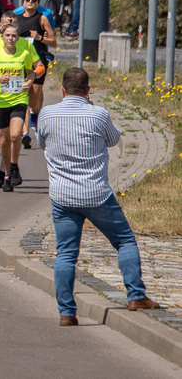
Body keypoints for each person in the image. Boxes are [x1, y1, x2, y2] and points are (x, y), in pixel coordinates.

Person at [37, 68, 160, 326]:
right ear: (88, 90)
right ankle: (136, 295)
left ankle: (66, 312)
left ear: (62, 90)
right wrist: (92, 109)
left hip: (62, 195)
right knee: (124, 241)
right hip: (96, 193)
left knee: (66, 253)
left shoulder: (47, 113)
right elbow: (114, 140)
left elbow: (41, 142)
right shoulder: (98, 114)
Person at [0, 24, 39, 192]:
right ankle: (6, 174)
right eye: (8, 35)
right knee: (4, 141)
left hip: (18, 100)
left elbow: (31, 72)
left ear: (18, 38)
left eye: (14, 35)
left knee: (15, 134)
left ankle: (13, 166)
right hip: (0, 102)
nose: (11, 38)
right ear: (2, 37)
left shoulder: (24, 54)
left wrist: (29, 82)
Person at [17, 0, 56, 149]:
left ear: (38, 2)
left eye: (33, 0)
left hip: (38, 62)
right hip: (20, 63)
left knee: (33, 100)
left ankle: (35, 114)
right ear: (24, 1)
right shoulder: (16, 18)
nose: (30, 3)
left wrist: (39, 37)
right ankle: (25, 134)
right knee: (23, 99)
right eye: (28, 0)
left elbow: (53, 42)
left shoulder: (42, 18)